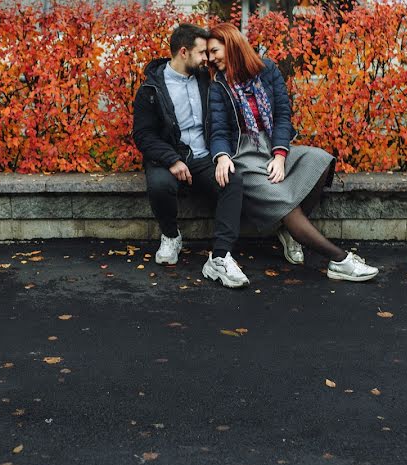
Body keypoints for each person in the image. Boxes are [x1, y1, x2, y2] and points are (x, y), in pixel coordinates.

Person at [206, 23, 379, 282]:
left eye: (215, 50)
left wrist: (279, 155)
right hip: (243, 154)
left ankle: (289, 233)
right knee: (283, 199)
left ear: (232, 44)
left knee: (319, 160)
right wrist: (221, 156)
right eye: (207, 53)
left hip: (272, 146)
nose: (211, 58)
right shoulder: (218, 85)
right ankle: (340, 260)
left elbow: (283, 116)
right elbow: (218, 129)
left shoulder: (268, 70)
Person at [132, 24, 250, 288]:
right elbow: (143, 135)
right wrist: (172, 160)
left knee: (233, 181)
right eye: (201, 53)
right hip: (170, 155)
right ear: (184, 52)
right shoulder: (151, 89)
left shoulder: (208, 81)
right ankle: (171, 236)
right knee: (160, 184)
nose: (206, 59)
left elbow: (224, 122)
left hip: (204, 156)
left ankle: (220, 257)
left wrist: (222, 156)